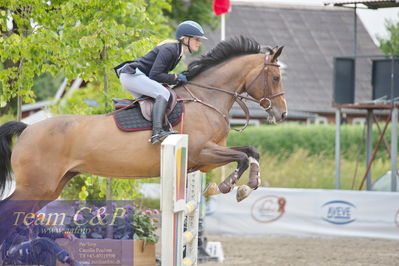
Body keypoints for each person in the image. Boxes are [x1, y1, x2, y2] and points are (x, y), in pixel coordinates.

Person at [114, 20, 207, 144]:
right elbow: (155, 75)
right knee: (163, 94)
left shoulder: (177, 52)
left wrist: (177, 77)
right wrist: (175, 77)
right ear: (185, 39)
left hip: (133, 76)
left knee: (154, 100)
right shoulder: (170, 49)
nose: (199, 43)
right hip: (132, 75)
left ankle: (143, 130)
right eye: (197, 39)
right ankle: (157, 132)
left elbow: (159, 75)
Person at [0, 215, 81, 266]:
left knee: (48, 254)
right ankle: (67, 260)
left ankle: (67, 260)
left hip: (28, 254)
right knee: (41, 241)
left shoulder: (35, 223)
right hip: (12, 254)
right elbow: (13, 239)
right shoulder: (14, 221)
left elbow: (49, 234)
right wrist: (32, 241)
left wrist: (65, 234)